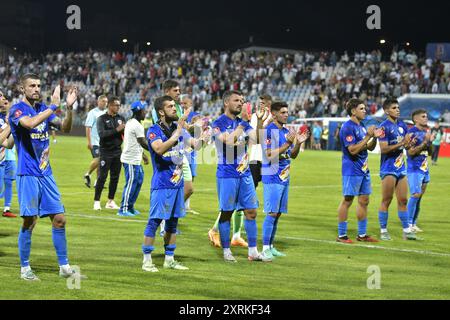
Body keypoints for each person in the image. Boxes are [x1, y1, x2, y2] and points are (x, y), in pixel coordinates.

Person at [8, 73, 80, 281]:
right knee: (30, 221)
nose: (37, 88)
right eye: (32, 85)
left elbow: (65, 128)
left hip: (46, 173)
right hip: (28, 173)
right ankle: (24, 268)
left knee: (59, 219)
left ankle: (64, 266)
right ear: (23, 89)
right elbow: (29, 124)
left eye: (39, 85)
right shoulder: (17, 110)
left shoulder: (43, 110)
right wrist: (53, 106)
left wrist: (67, 108)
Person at [141, 95, 208, 272]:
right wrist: (175, 136)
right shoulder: (153, 130)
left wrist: (204, 136)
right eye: (170, 106)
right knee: (154, 222)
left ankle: (169, 259)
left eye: (174, 106)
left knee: (172, 223)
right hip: (162, 184)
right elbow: (158, 149)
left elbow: (196, 145)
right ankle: (147, 260)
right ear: (161, 112)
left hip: (177, 184)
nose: (174, 109)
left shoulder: (179, 130)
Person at [212, 90, 269, 262]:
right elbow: (229, 141)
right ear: (226, 103)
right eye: (237, 100)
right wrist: (244, 123)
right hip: (227, 174)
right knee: (227, 213)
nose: (240, 103)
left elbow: (258, 138)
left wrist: (258, 121)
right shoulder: (218, 123)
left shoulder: (243, 123)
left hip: (244, 174)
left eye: (242, 101)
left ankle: (253, 251)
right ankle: (227, 251)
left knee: (251, 212)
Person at [261, 101, 309, 259]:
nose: (286, 114)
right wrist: (289, 142)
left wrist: (297, 144)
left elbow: (292, 155)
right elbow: (269, 155)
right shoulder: (269, 131)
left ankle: (272, 245)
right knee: (272, 213)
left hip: (284, 176)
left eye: (287, 112)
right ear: (274, 114)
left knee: (278, 213)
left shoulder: (286, 131)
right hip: (272, 175)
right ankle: (265, 248)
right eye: (282, 112)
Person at [337, 98, 380, 244]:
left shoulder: (361, 126)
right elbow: (353, 150)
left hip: (363, 169)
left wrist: (374, 138)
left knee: (364, 200)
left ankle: (362, 234)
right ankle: (342, 235)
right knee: (347, 200)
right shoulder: (347, 127)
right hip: (351, 169)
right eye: (362, 108)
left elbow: (369, 147)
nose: (365, 111)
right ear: (353, 111)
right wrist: (368, 136)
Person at [377, 98, 416, 241]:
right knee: (387, 199)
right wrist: (401, 143)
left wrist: (408, 144)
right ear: (387, 111)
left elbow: (405, 146)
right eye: (394, 108)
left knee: (403, 200)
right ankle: (383, 230)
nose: (398, 110)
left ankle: (407, 230)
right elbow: (383, 149)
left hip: (401, 167)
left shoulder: (403, 125)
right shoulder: (383, 127)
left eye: (398, 107)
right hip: (388, 168)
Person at [93, 96, 126, 211]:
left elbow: (124, 135)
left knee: (115, 178)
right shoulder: (101, 119)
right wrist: (117, 130)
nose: (118, 107)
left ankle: (110, 201)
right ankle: (96, 201)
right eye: (116, 105)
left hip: (118, 151)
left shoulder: (121, 118)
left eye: (119, 105)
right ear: (110, 106)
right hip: (106, 151)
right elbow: (102, 134)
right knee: (102, 177)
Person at [118, 101, 149, 216]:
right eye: (144, 110)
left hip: (135, 158)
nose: (145, 113)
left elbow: (136, 143)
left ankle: (130, 207)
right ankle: (124, 209)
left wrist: (143, 155)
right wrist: (155, 150)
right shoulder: (136, 124)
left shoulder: (133, 123)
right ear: (138, 111)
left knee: (138, 181)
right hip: (130, 160)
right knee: (131, 183)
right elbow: (142, 142)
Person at [407, 109, 434, 233]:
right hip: (414, 169)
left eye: (426, 116)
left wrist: (430, 142)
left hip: (424, 168)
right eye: (423, 116)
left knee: (419, 197)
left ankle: (414, 223)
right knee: (415, 195)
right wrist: (424, 142)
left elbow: (431, 153)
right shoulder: (411, 133)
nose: (426, 118)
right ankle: (408, 224)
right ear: (416, 119)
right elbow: (410, 152)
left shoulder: (425, 131)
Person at [84, 95, 108, 188]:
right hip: (95, 142)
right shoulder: (93, 113)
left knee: (101, 162)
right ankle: (87, 174)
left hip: (104, 142)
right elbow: (88, 127)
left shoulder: (107, 113)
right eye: (103, 101)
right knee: (99, 158)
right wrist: (89, 142)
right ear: (98, 102)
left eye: (106, 102)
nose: (104, 103)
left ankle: (97, 182)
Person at [0, 90, 17, 217]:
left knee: (7, 183)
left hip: (6, 155)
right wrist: (10, 124)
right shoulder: (5, 120)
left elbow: (8, 144)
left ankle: (7, 208)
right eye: (1, 96)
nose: (4, 100)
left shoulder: (5, 118)